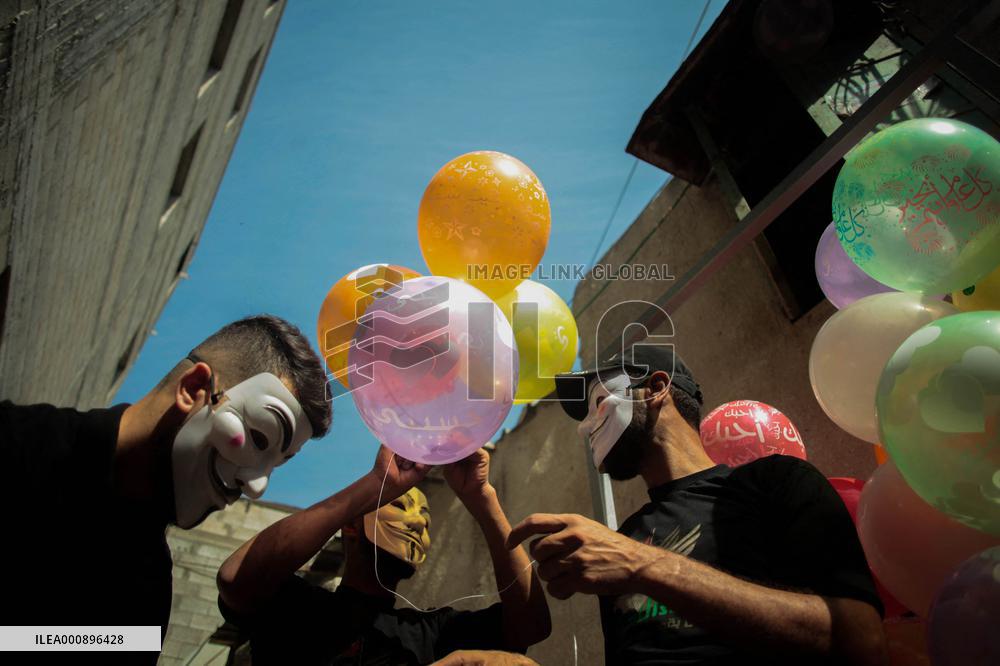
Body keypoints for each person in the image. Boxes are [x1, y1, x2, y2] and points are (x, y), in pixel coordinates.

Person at [508, 345, 888, 665]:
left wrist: (641, 564)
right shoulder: (621, 541)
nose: (585, 426)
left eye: (598, 402)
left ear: (657, 388)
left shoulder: (776, 483)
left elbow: (863, 643)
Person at [0, 314, 332, 660]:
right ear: (192, 390)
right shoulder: (16, 447)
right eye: (260, 440)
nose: (256, 485)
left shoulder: (143, 599)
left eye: (276, 466)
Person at [217, 445, 551, 664]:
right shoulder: (297, 610)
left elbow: (531, 626)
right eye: (398, 503)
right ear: (350, 526)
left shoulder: (433, 633)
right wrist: (376, 483)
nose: (419, 520)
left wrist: (482, 498)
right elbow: (236, 578)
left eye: (426, 516)